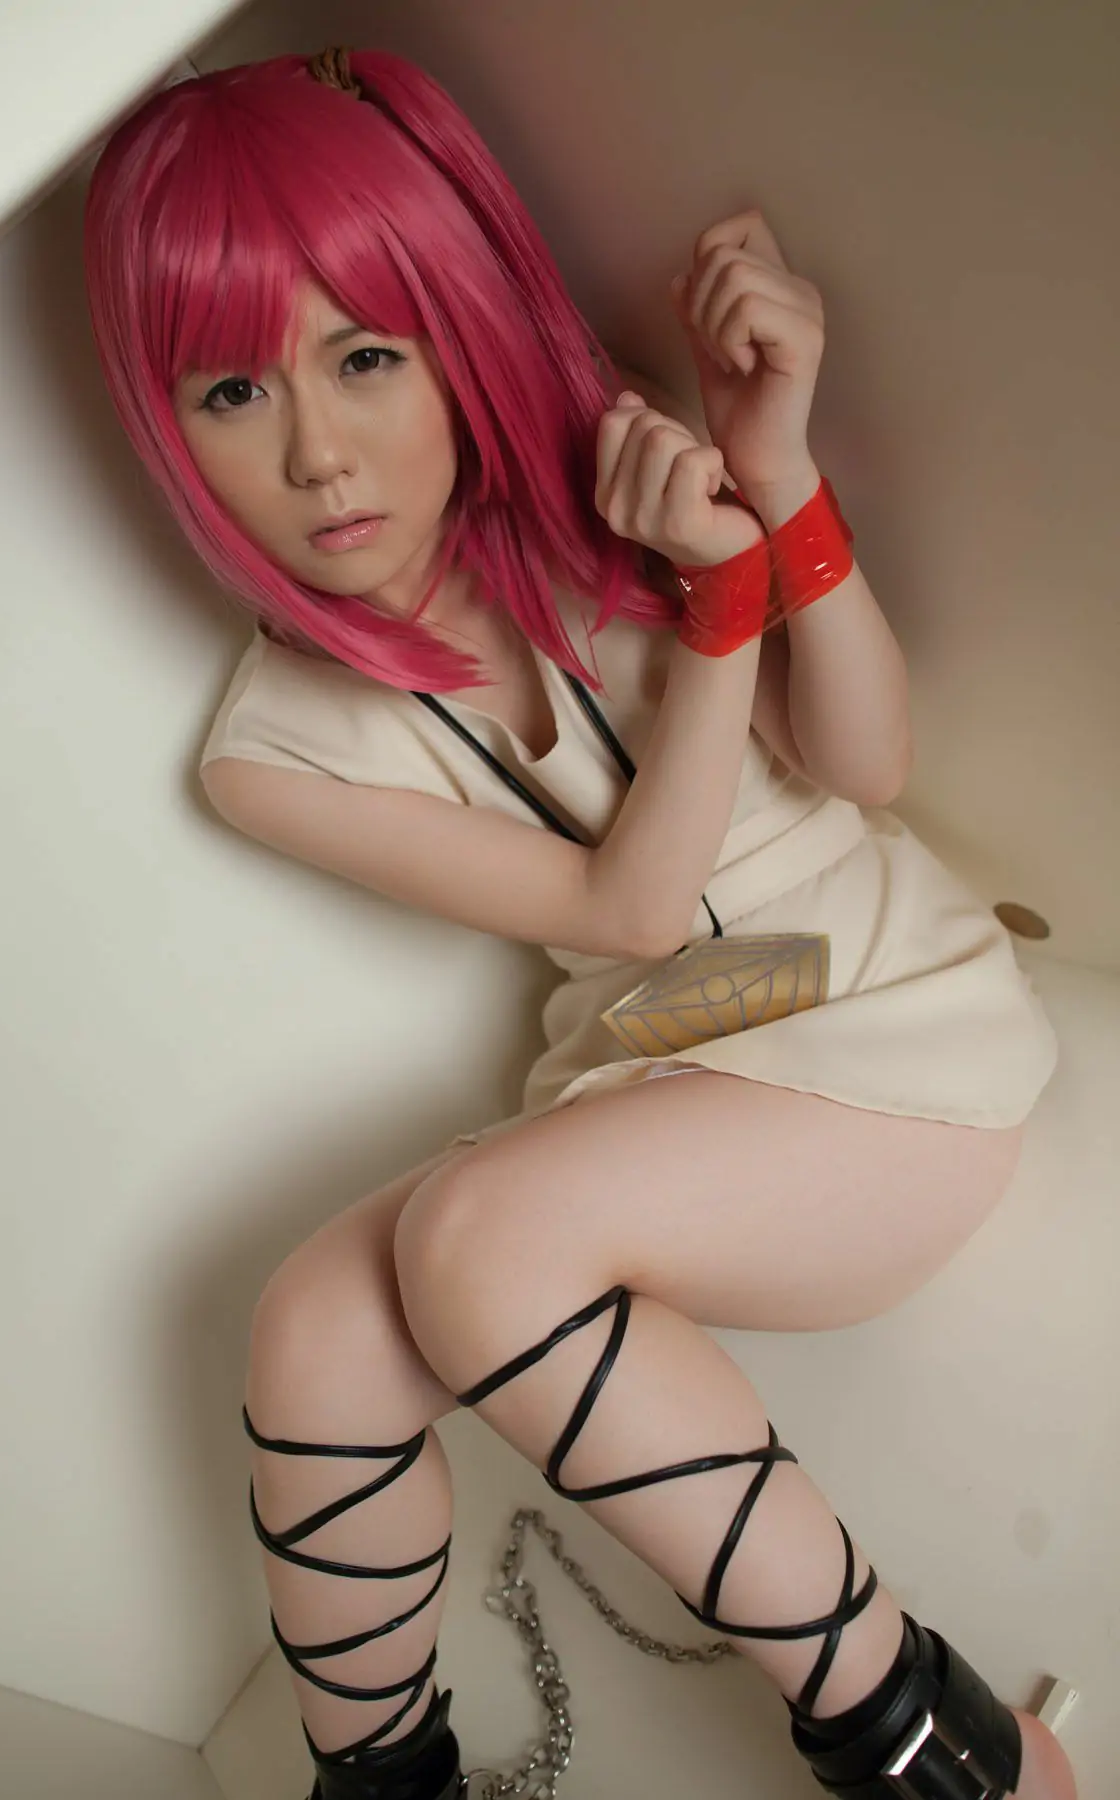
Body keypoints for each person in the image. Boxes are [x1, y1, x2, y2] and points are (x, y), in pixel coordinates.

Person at [83, 48, 1074, 1800]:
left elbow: (867, 764)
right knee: (312, 1329)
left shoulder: (602, 467)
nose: (318, 454)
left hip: (881, 1018)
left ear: (450, 333)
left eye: (365, 357)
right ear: (170, 426)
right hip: (666, 1057)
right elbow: (627, 910)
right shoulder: (273, 753)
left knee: (474, 1236)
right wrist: (717, 612)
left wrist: (772, 476)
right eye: (232, 389)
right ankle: (381, 1786)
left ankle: (946, 1759)